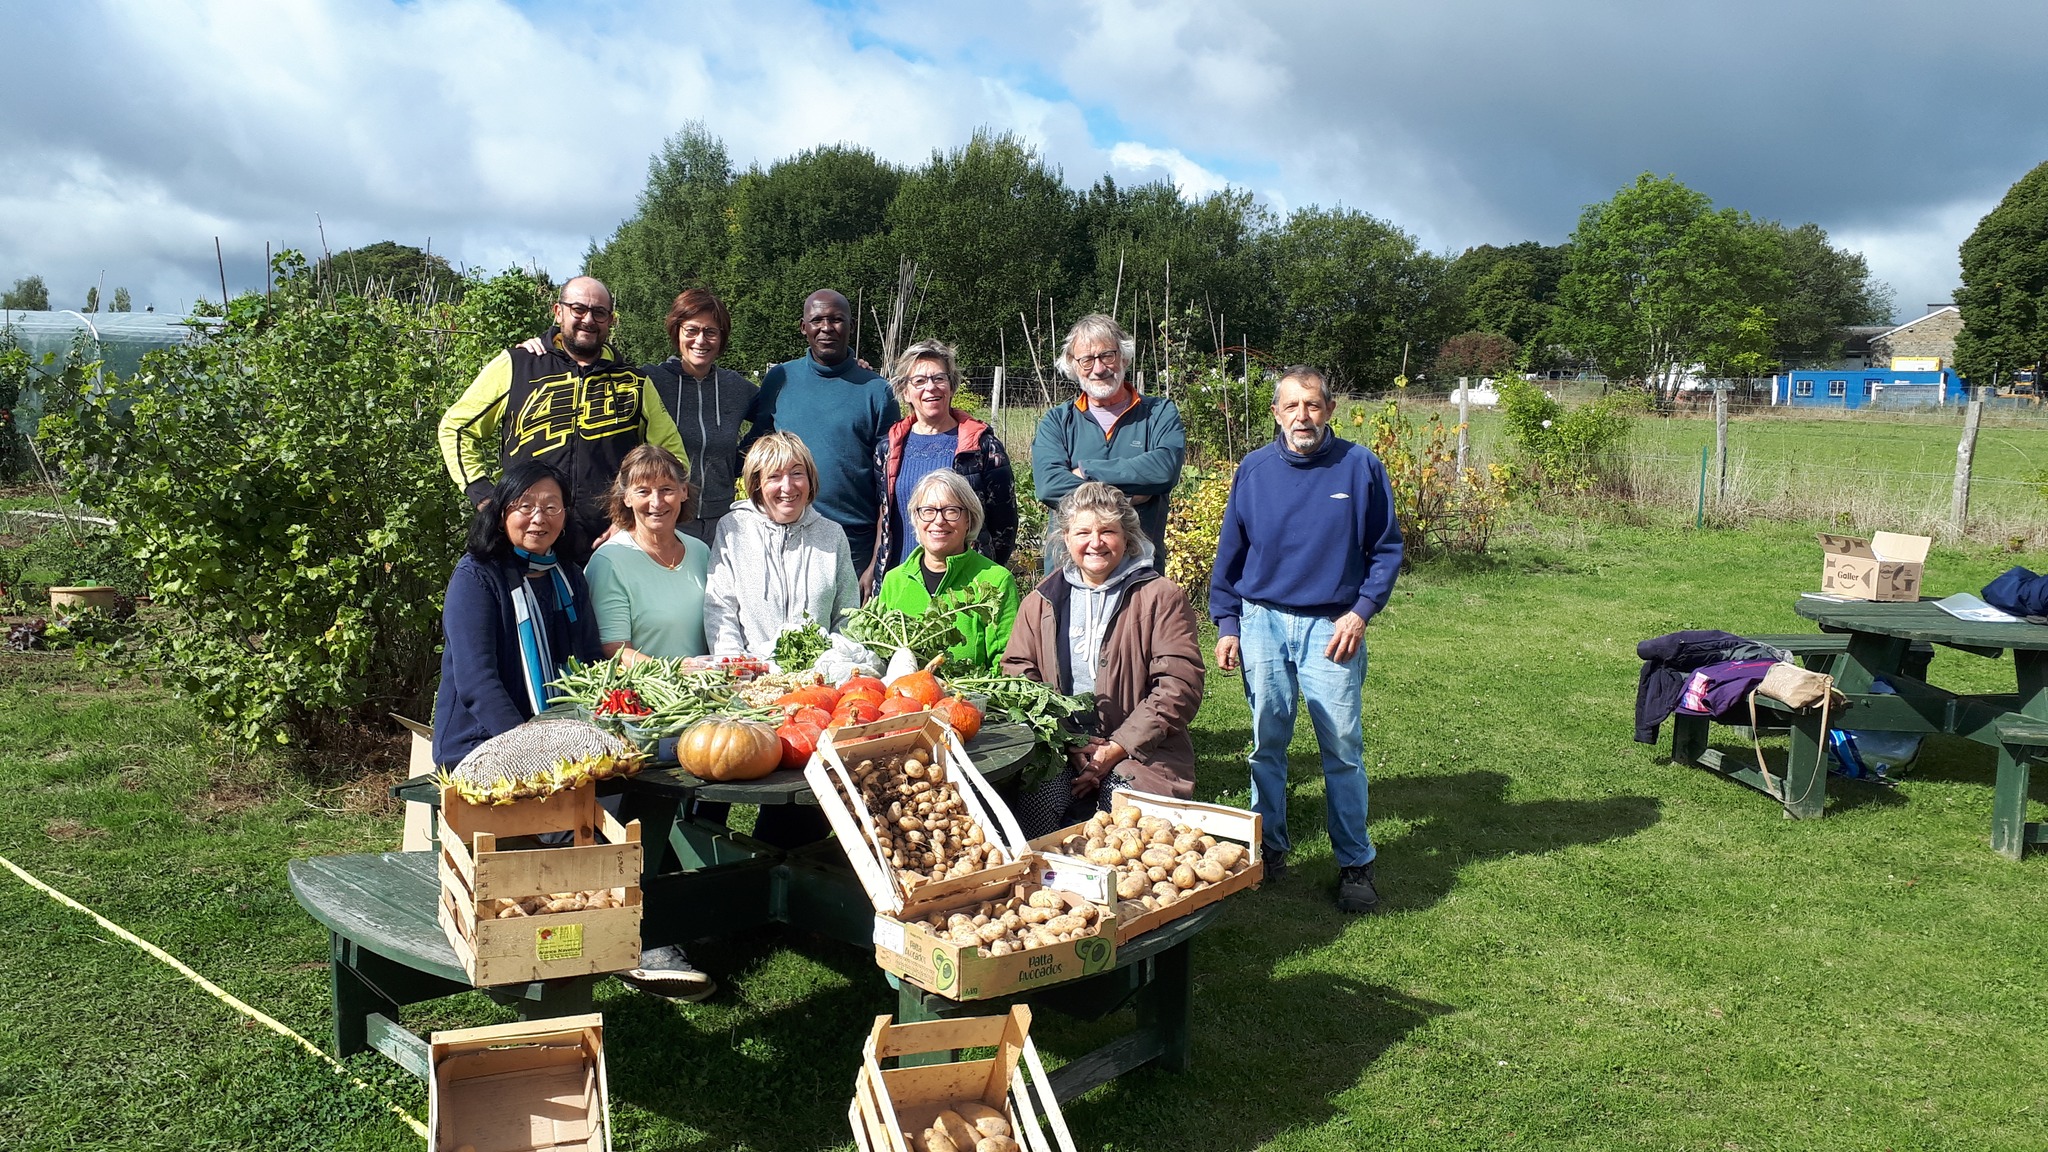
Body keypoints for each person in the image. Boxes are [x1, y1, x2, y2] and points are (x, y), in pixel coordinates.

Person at [1210, 366, 1403, 914]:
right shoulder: (1254, 469)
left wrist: (1361, 613)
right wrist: (1227, 623)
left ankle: (1355, 863)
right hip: (1262, 619)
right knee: (1267, 742)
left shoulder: (1360, 466)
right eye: (1291, 406)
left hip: (1332, 626)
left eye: (1313, 405)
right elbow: (1232, 552)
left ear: (1329, 410)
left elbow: (1387, 549)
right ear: (1276, 413)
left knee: (1341, 747)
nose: (1302, 416)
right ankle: (1268, 848)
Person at [1002, 482, 1204, 838]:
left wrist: (1117, 747)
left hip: (1143, 749)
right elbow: (1018, 674)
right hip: (1061, 745)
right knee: (1037, 813)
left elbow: (1178, 686)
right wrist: (1066, 737)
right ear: (1065, 538)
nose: (1095, 543)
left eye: (1107, 531)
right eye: (1083, 532)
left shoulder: (1160, 597)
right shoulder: (1042, 600)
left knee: (1124, 828)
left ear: (1126, 537)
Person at [439, 275, 687, 562]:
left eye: (599, 312)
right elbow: (456, 428)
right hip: (524, 538)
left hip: (606, 548)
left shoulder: (633, 382)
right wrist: (482, 493)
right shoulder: (517, 365)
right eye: (578, 309)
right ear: (558, 312)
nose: (588, 320)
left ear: (611, 320)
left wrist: (630, 519)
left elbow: (673, 457)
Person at [526, 287, 754, 543]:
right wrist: (546, 348)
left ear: (722, 338)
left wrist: (739, 462)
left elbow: (775, 418)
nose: (700, 341)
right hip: (662, 520)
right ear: (677, 332)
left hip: (721, 522)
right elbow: (590, 365)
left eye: (711, 332)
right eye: (691, 330)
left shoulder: (736, 387)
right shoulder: (648, 380)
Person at [431, 464, 601, 768]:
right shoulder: (476, 577)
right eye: (525, 506)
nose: (539, 518)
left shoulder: (569, 576)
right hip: (481, 744)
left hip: (560, 742)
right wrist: (532, 748)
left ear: (564, 517)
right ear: (501, 515)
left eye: (551, 506)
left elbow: (590, 661)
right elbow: (477, 682)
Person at [743, 289, 898, 572]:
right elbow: (756, 445)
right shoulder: (781, 378)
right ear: (804, 327)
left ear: (850, 327)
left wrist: (876, 561)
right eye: (817, 320)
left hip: (853, 541)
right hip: (786, 533)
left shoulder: (876, 391)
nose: (826, 328)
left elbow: (889, 481)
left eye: (837, 319)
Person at [1030, 314, 1185, 572]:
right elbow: (1049, 486)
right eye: (1087, 359)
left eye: (1107, 356)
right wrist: (1130, 495)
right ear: (1074, 366)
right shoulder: (1057, 421)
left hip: (1138, 569)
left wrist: (1087, 471)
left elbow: (1164, 469)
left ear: (1123, 357)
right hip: (1068, 572)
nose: (1099, 368)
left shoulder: (1158, 413)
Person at [869, 339, 1017, 585]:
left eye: (939, 378)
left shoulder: (983, 447)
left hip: (965, 585)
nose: (931, 388)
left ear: (951, 385)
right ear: (905, 391)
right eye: (919, 381)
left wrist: (984, 575)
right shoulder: (888, 448)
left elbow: (1004, 526)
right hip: (902, 581)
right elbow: (885, 518)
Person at [703, 431, 861, 660]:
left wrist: (833, 665)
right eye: (774, 476)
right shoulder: (733, 529)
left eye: (797, 473)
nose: (787, 487)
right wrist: (734, 668)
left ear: (810, 479)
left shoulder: (832, 534)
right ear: (757, 484)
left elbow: (847, 615)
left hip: (819, 680)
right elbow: (721, 607)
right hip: (753, 679)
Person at [873, 471, 1020, 674]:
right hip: (901, 702)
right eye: (928, 510)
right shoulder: (894, 581)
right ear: (916, 518)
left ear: (968, 519)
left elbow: (1007, 666)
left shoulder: (996, 581)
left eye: (951, 511)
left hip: (969, 702)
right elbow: (879, 657)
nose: (939, 520)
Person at [584, 445, 711, 663]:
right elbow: (615, 649)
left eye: (666, 489)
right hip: (648, 693)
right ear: (626, 498)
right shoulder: (610, 561)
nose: (656, 502)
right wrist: (678, 674)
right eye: (643, 491)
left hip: (708, 690)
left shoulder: (700, 551)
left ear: (684, 492)